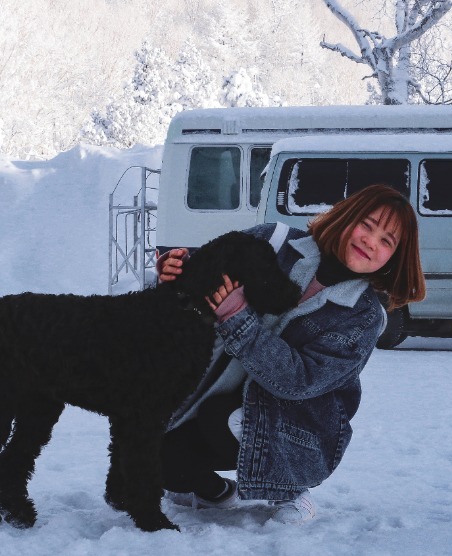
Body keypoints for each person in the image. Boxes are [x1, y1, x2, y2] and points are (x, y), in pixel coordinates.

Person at [157, 184, 425, 524]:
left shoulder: (364, 317)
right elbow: (205, 277)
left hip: (297, 428)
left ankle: (291, 489)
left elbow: (298, 381)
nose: (371, 241)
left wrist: (237, 317)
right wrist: (178, 273)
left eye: (387, 241)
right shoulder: (273, 241)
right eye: (367, 225)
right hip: (218, 393)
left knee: (221, 416)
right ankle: (219, 493)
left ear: (395, 258)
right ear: (346, 217)